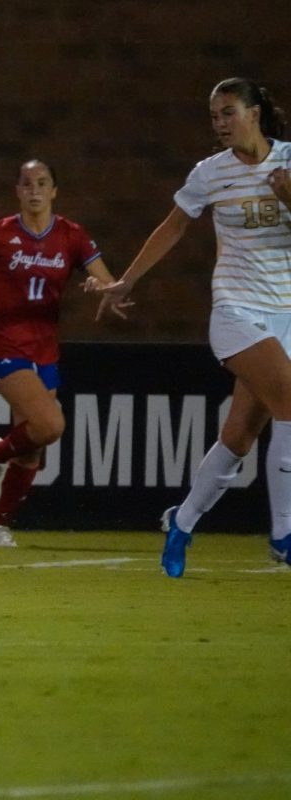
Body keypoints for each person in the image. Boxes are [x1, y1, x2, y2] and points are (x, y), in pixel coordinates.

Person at [89, 78, 291, 577]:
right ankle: (285, 534)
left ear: (255, 112)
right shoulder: (210, 173)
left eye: (228, 113)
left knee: (239, 436)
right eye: (214, 116)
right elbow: (172, 227)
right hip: (236, 311)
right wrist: (125, 281)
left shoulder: (288, 162)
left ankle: (182, 520)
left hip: (286, 315)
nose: (220, 124)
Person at [0, 159, 127, 547]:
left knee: (34, 447)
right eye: (27, 184)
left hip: (45, 347)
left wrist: (99, 287)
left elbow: (107, 279)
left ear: (55, 190)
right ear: (18, 191)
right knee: (51, 425)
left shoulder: (71, 236)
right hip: (4, 344)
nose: (34, 190)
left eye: (42, 183)